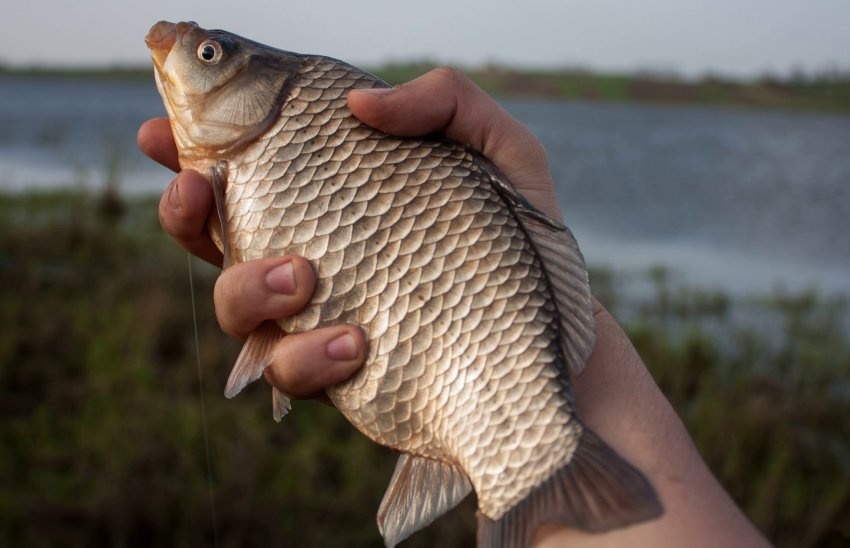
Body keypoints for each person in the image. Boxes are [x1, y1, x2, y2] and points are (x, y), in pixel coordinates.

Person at [138, 68, 770, 547]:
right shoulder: (244, 149)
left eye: (211, 54)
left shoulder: (324, 102)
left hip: (497, 298)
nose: (192, 58)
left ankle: (532, 483)